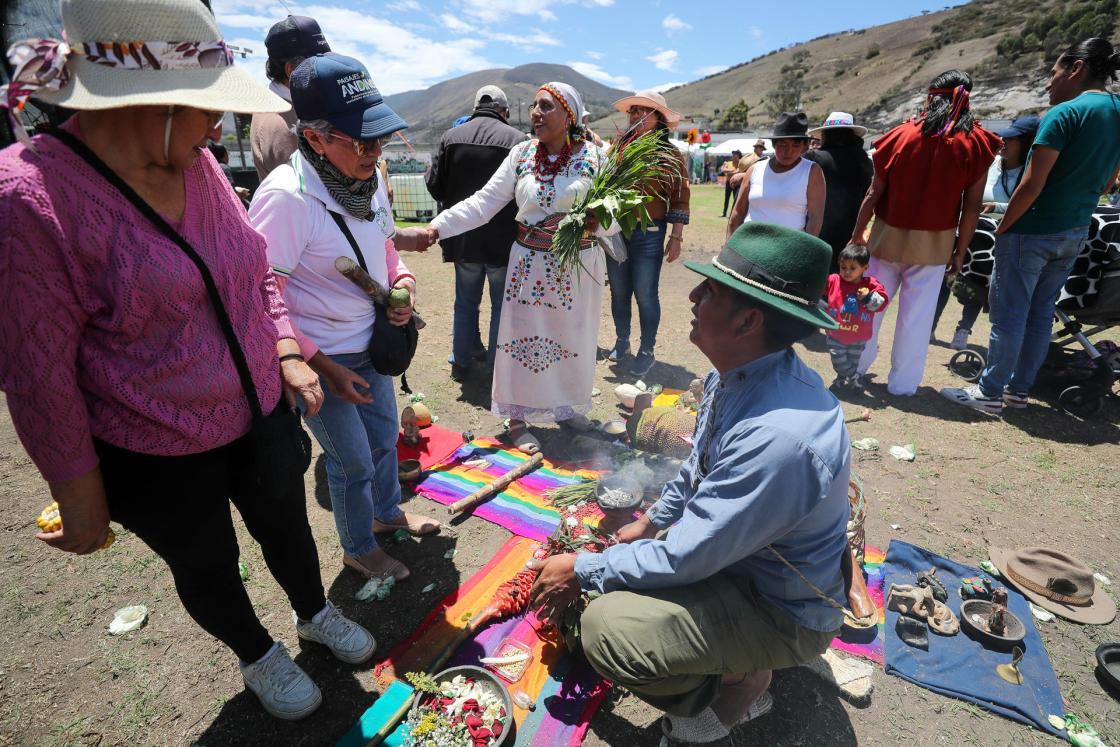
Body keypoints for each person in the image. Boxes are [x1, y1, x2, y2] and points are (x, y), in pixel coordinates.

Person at [0, 0, 374, 721]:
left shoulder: (195, 165)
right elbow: (37, 372)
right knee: (204, 560)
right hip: (154, 444)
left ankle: (312, 610)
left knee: (288, 528)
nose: (217, 129)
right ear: (154, 102)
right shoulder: (29, 197)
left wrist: (288, 351)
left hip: (259, 409)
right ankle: (258, 651)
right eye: (206, 110)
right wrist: (80, 498)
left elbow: (256, 268)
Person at [526, 222, 850, 745]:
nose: (694, 296)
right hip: (745, 564)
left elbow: (687, 558)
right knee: (627, 574)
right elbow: (696, 468)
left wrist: (584, 568)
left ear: (748, 320)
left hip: (782, 609)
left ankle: (726, 700)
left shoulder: (777, 438)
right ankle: (735, 662)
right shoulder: (738, 370)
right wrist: (650, 521)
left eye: (711, 291)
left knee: (608, 631)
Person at [249, 53, 440, 582]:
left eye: (378, 139)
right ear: (314, 138)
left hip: (371, 347)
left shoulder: (370, 179)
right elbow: (263, 297)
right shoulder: (286, 199)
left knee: (382, 440)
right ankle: (358, 548)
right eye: (362, 142)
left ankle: (385, 516)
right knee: (351, 460)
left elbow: (383, 247)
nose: (374, 152)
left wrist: (401, 281)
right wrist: (322, 367)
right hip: (321, 357)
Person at [424, 82, 619, 454]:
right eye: (533, 105)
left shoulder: (597, 157)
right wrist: (437, 228)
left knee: (573, 339)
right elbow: (483, 203)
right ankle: (516, 419)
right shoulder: (521, 154)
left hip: (578, 267)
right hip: (528, 264)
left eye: (545, 106)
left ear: (569, 116)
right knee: (520, 340)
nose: (535, 112)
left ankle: (567, 408)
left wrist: (595, 223)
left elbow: (618, 214)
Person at [943, 39, 1120, 413]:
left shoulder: (1061, 114)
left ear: (1076, 68)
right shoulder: (1117, 112)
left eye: (1053, 73)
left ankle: (989, 393)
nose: (1047, 83)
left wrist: (1005, 226)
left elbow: (1032, 184)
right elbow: (1108, 185)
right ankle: (1017, 392)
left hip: (1032, 228)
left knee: (1009, 314)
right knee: (1041, 312)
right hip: (1074, 231)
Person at [849, 70, 1000, 396]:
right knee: (916, 321)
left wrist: (858, 233)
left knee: (870, 309)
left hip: (886, 240)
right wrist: (960, 251)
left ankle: (854, 370)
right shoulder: (977, 143)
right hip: (935, 246)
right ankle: (902, 386)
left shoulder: (899, 135)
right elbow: (972, 207)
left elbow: (873, 193)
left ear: (932, 97)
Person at [426, 85, 527, 381]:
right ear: (505, 112)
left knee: (465, 301)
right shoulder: (518, 141)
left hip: (463, 237)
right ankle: (497, 365)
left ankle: (460, 360)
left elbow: (435, 186)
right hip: (503, 240)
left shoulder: (451, 137)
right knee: (500, 305)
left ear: (474, 108)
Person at [934, 115, 1040, 350]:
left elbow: (1029, 202)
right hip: (968, 227)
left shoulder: (1031, 172)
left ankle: (963, 329)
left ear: (1026, 144)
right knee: (943, 277)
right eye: (1005, 137)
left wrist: (998, 208)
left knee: (978, 286)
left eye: (1011, 139)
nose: (1003, 141)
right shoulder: (991, 163)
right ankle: (929, 327)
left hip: (995, 237)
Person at [604, 90, 691, 375]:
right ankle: (622, 342)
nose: (636, 115)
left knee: (645, 293)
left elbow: (680, 196)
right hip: (616, 231)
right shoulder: (618, 148)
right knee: (618, 291)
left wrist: (676, 237)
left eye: (644, 111)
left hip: (650, 232)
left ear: (659, 119)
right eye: (633, 111)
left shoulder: (669, 154)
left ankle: (647, 349)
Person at [250, 15, 330, 181]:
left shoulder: (296, 105)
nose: (328, 69)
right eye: (319, 64)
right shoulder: (279, 124)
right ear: (293, 70)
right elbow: (305, 191)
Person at [727, 113, 826, 237]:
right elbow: (737, 213)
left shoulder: (811, 171)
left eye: (796, 145)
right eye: (783, 144)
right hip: (749, 248)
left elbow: (815, 218)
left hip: (789, 250)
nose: (789, 151)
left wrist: (806, 252)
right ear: (774, 144)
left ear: (804, 146)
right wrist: (728, 248)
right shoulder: (755, 170)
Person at [804, 112, 874, 271]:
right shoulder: (865, 163)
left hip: (817, 232)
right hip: (851, 235)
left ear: (827, 134)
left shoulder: (815, 158)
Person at [823, 244, 889, 390]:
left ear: (865, 268)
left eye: (852, 268)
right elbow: (818, 286)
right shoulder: (834, 280)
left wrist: (868, 297)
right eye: (843, 267)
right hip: (836, 332)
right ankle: (854, 377)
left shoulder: (871, 285)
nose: (846, 271)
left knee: (852, 361)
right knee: (838, 360)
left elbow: (882, 304)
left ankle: (842, 381)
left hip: (859, 336)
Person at [720, 149, 743, 217]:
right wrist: (733, 171)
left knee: (735, 199)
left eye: (736, 155)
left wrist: (729, 172)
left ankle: (732, 214)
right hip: (728, 183)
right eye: (733, 155)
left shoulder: (740, 163)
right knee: (726, 198)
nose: (734, 156)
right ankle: (724, 213)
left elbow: (739, 171)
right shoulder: (729, 163)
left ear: (739, 156)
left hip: (736, 183)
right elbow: (723, 170)